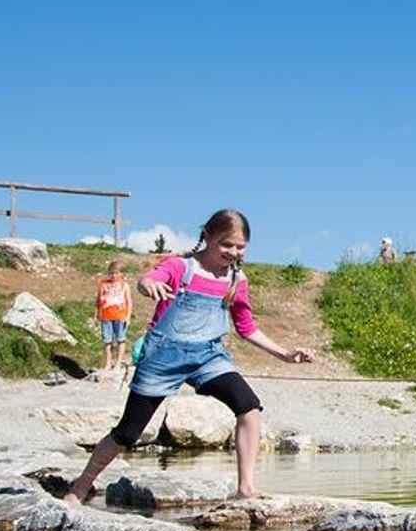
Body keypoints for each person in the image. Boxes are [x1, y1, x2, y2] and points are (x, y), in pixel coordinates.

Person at [61, 209, 314, 504]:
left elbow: (246, 328)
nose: (233, 252)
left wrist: (285, 354)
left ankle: (245, 488)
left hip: (208, 357)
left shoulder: (236, 279)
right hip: (162, 358)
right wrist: (148, 285)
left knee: (249, 407)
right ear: (206, 236)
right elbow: (148, 280)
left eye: (240, 247)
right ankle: (80, 487)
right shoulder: (180, 267)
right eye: (226, 244)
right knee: (128, 433)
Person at [95, 258, 133, 373]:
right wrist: (95, 315)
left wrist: (128, 317)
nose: (113, 275)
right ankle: (108, 362)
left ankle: (118, 362)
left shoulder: (124, 285)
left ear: (121, 274)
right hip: (105, 316)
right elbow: (98, 301)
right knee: (107, 340)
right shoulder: (103, 284)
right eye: (111, 273)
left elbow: (129, 302)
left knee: (120, 339)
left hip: (120, 316)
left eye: (116, 273)